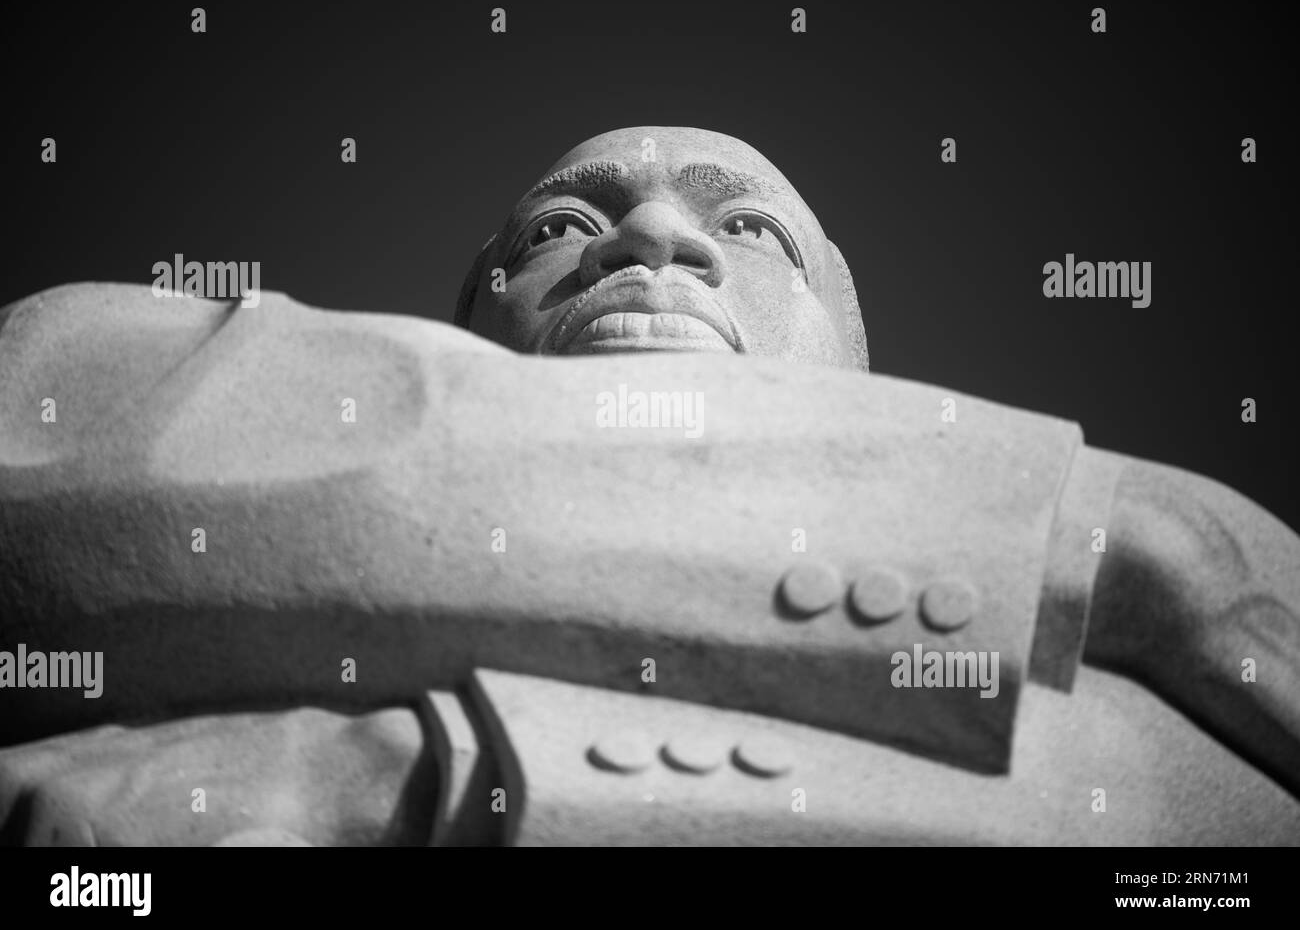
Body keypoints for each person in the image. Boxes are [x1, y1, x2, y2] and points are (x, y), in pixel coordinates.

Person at [0, 128, 1295, 845]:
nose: (657, 236)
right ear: (464, 323)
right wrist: (1086, 534)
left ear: (857, 367)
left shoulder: (1147, 727)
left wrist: (385, 780)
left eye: (751, 232)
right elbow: (53, 439)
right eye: (562, 227)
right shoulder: (1168, 624)